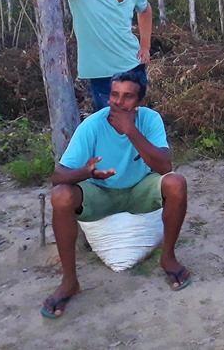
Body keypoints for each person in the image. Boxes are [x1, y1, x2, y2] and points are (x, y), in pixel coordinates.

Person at [40, 69, 190, 319]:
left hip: (138, 190)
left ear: (140, 102)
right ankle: (69, 281)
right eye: (114, 95)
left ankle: (169, 259)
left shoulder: (150, 119)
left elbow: (165, 167)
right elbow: (58, 177)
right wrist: (86, 172)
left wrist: (130, 130)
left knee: (176, 183)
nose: (118, 102)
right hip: (100, 193)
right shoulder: (93, 125)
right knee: (61, 196)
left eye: (128, 96)